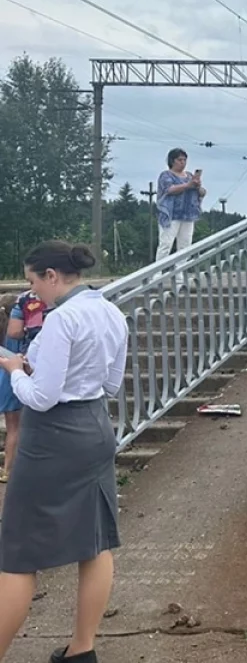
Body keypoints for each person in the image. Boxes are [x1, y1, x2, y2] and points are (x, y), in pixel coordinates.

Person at [0, 242, 128, 663]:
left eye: (34, 281)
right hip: (93, 428)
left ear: (52, 276)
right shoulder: (110, 312)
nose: (33, 291)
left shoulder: (61, 320)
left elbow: (41, 397)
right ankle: (82, 649)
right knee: (94, 542)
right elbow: (111, 385)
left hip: (52, 439)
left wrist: (16, 371)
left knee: (19, 553)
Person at [0, 291, 49, 484]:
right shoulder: (21, 337)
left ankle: (7, 467)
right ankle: (9, 469)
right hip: (15, 378)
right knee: (16, 428)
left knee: (11, 425)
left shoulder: (4, 332)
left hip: (5, 380)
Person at [155, 148, 205, 261]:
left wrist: (197, 186)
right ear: (172, 161)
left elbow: (202, 193)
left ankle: (180, 273)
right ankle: (157, 274)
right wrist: (188, 185)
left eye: (184, 160)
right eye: (179, 160)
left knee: (185, 245)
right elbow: (170, 190)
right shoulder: (166, 175)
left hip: (188, 215)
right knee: (166, 244)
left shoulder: (189, 176)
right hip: (171, 214)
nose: (183, 162)